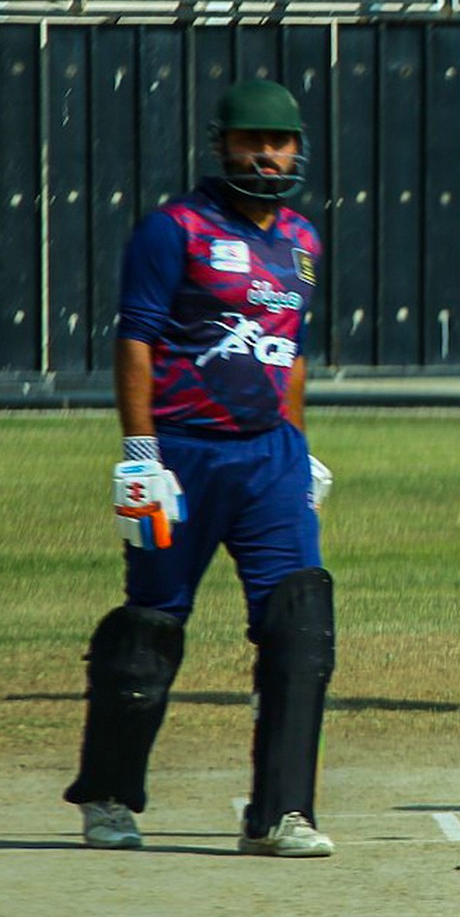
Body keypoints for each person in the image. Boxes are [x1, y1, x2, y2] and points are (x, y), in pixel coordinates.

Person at [64, 79, 337, 857]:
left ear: (297, 148)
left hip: (270, 458)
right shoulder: (173, 229)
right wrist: (140, 453)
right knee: (150, 625)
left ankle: (280, 814)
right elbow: (136, 340)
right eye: (251, 140)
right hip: (181, 454)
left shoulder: (303, 241)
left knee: (300, 623)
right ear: (222, 146)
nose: (266, 154)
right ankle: (108, 797)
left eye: (278, 141)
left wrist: (300, 446)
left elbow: (290, 351)